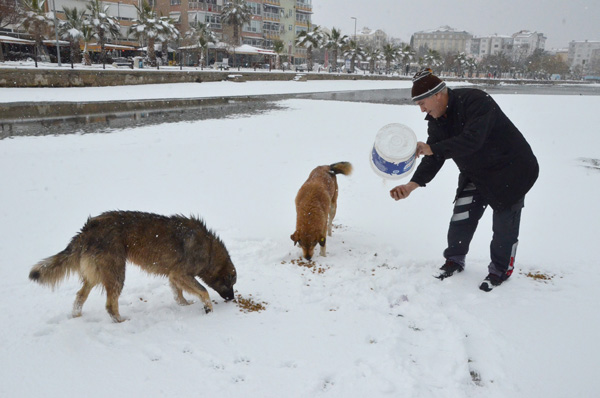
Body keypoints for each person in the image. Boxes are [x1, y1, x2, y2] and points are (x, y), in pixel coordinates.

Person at [390, 69, 539, 291]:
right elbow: (435, 156)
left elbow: (472, 140)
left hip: (511, 172)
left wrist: (432, 147)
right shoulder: (436, 120)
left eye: (422, 103)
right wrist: (412, 185)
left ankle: (500, 271)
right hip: (477, 173)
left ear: (438, 95)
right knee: (462, 216)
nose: (422, 110)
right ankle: (454, 259)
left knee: (503, 228)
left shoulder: (476, 101)